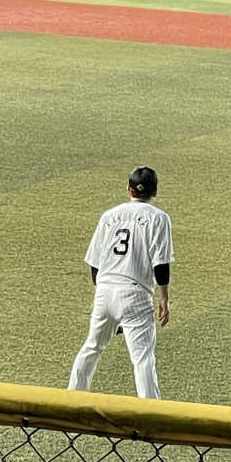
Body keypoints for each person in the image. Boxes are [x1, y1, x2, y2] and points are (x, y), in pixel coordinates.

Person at [68, 166, 173, 400]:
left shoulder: (109, 216)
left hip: (105, 290)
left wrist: (104, 298)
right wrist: (164, 298)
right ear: (154, 191)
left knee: (92, 347)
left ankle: (71, 400)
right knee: (143, 358)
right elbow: (161, 263)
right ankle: (150, 413)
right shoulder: (159, 218)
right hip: (135, 295)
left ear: (128, 188)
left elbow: (94, 264)